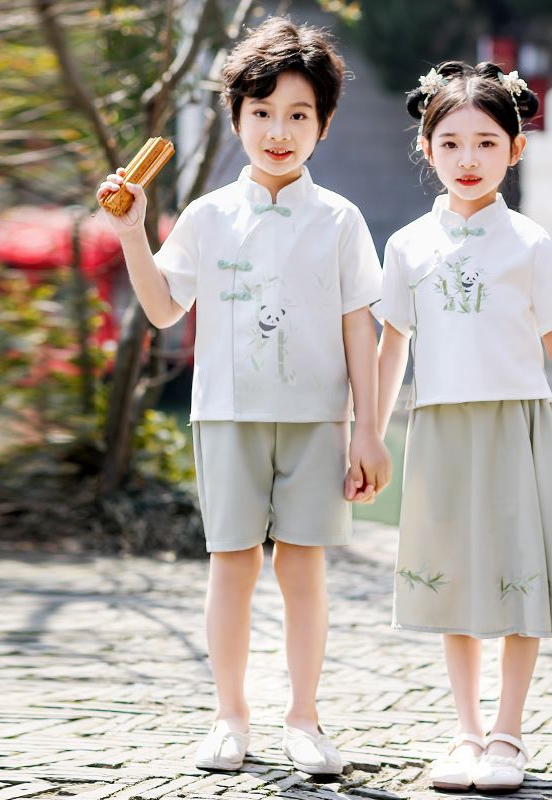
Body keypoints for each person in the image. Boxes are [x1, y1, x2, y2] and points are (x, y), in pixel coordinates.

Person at [96, 17, 390, 776]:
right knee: (231, 564)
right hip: (226, 414)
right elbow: (164, 310)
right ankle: (229, 717)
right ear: (236, 118)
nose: (278, 131)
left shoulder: (340, 221)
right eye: (261, 113)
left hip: (319, 419)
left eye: (298, 115)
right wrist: (132, 232)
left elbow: (362, 331)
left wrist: (366, 431)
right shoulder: (206, 216)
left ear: (323, 125)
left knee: (303, 569)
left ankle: (305, 719)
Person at [375, 60, 552, 792]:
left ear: (515, 148)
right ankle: (464, 735)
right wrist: (367, 435)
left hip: (518, 428)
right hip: (440, 431)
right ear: (426, 147)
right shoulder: (408, 245)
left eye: (483, 142)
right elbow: (393, 348)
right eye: (449, 144)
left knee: (517, 582)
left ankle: (507, 734)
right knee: (454, 586)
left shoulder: (531, 243)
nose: (467, 159)